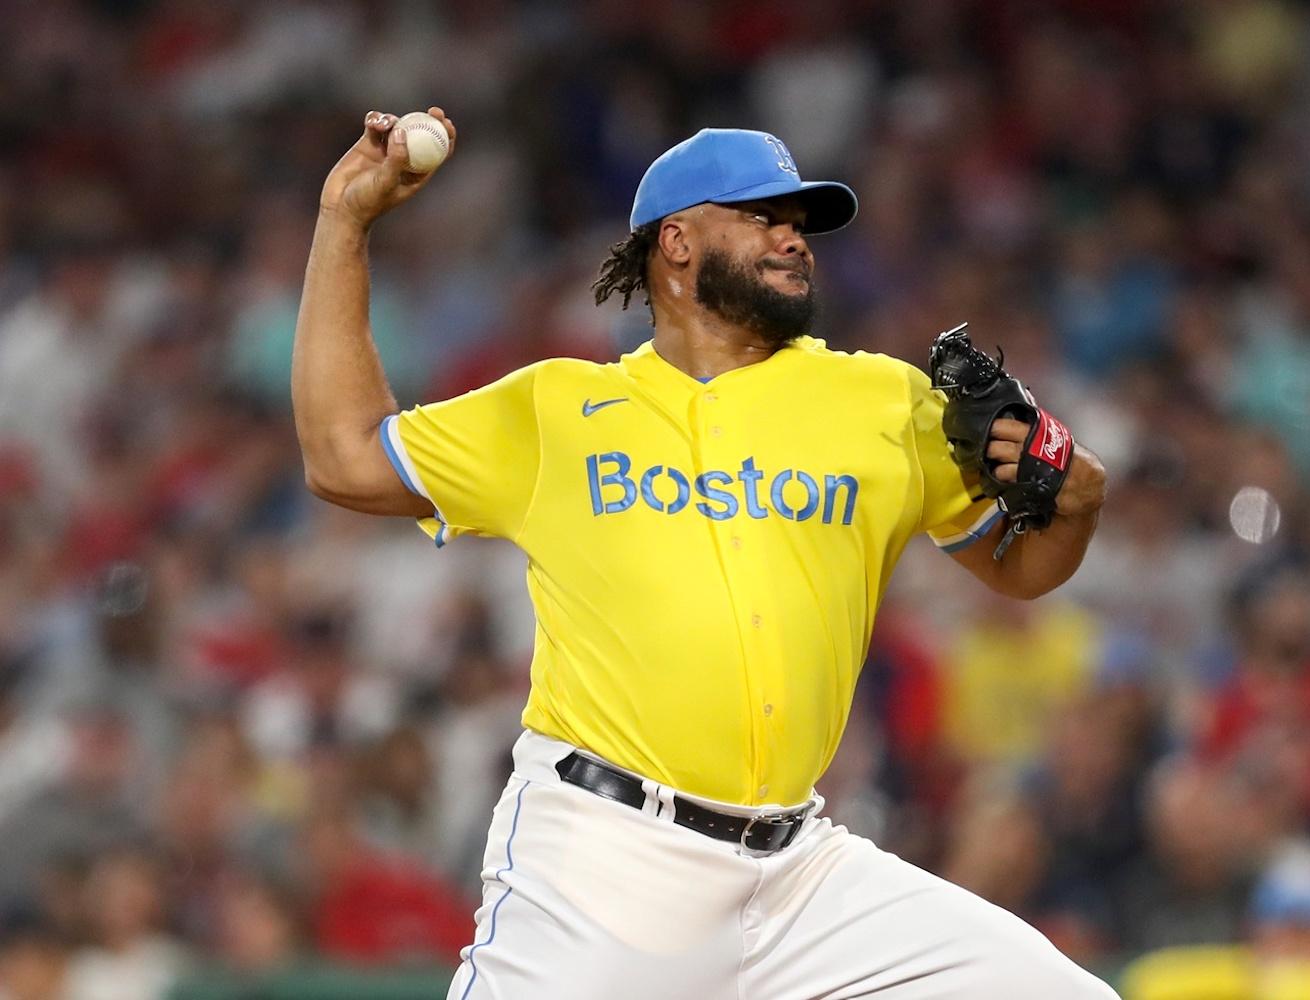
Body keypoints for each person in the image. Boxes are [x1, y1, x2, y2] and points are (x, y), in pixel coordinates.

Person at [291, 107, 1113, 999]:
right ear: (676, 243)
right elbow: (345, 456)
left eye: (799, 223)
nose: (792, 238)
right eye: (763, 215)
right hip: (606, 856)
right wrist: (345, 222)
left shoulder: (882, 399)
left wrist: (1073, 504)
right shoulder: (558, 408)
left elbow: (1020, 570)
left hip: (801, 871)